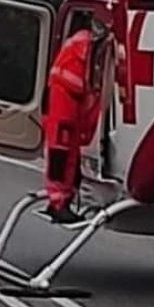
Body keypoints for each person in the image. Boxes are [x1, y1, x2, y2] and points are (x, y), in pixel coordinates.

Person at [43, 16, 106, 224]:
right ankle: (57, 202)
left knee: (68, 154)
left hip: (69, 101)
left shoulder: (83, 43)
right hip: (64, 101)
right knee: (60, 154)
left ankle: (62, 199)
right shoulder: (83, 42)